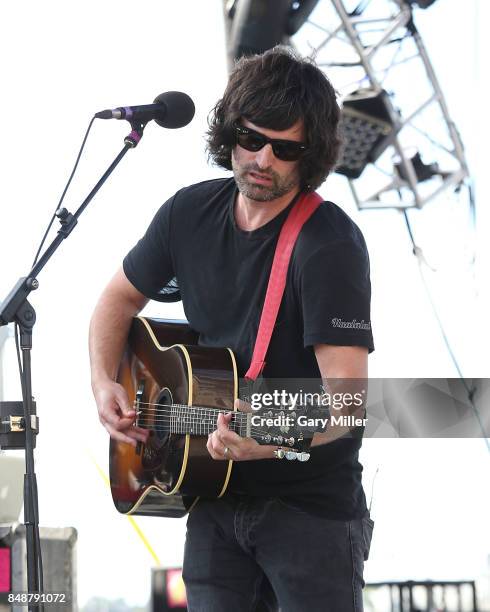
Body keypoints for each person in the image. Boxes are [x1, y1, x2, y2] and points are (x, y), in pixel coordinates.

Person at [89, 46, 375, 612]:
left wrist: (265, 440)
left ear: (308, 154)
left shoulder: (329, 246)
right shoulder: (186, 214)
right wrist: (104, 383)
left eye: (285, 148)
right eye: (251, 139)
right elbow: (116, 301)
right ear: (229, 132)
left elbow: (349, 402)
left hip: (308, 514)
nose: (263, 159)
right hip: (212, 502)